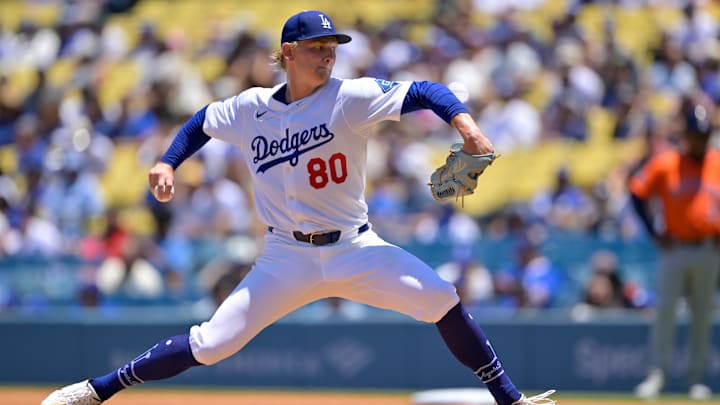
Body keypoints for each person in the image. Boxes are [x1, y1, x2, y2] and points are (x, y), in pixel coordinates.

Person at [41, 11, 555, 405]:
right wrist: (168, 162)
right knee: (212, 343)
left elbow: (425, 90)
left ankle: (510, 399)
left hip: (355, 246)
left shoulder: (350, 97)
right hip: (286, 255)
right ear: (288, 52)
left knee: (442, 298)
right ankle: (96, 390)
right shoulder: (250, 107)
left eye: (332, 46)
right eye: (316, 47)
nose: (328, 55)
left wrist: (465, 126)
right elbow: (202, 121)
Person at [629, 104, 720, 400]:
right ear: (686, 135)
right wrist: (654, 232)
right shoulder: (667, 163)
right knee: (665, 313)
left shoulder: (717, 162)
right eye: (695, 135)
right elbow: (636, 192)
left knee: (702, 315)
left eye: (703, 135)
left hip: (708, 249)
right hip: (675, 248)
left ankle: (696, 378)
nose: (699, 141)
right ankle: (657, 375)